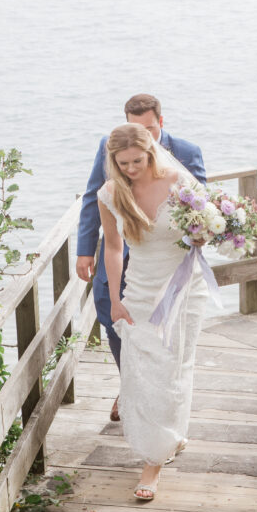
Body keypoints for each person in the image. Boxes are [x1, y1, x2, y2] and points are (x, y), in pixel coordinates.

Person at [97, 122, 212, 501]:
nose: (131, 168)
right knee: (145, 370)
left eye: (137, 160)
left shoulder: (180, 182)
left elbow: (206, 228)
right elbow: (113, 248)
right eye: (123, 162)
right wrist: (115, 298)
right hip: (141, 289)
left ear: (151, 151)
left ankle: (155, 460)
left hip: (183, 287)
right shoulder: (111, 193)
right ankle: (163, 442)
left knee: (176, 365)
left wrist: (202, 235)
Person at [76, 94, 205, 422]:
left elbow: (202, 211)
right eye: (133, 128)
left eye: (147, 129)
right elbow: (95, 197)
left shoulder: (187, 154)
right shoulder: (111, 149)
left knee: (170, 347)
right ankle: (131, 385)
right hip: (123, 257)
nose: (139, 138)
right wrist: (84, 250)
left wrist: (200, 237)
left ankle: (159, 405)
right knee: (116, 324)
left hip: (171, 264)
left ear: (160, 123)